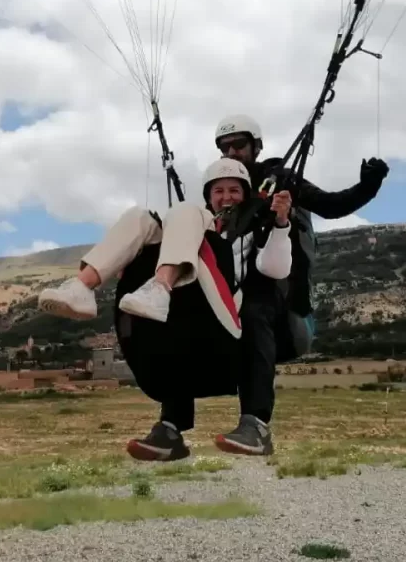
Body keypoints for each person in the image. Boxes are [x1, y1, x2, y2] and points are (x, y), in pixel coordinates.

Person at [38, 158, 294, 462]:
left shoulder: (256, 226)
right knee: (140, 218)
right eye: (219, 191)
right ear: (210, 196)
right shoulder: (198, 223)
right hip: (192, 300)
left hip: (226, 306)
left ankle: (161, 286)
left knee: (184, 212)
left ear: (246, 194)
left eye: (234, 191)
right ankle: (82, 287)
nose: (226, 197)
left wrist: (280, 225)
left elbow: (276, 269)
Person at [211, 114, 390, 456]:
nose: (231, 152)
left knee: (255, 299)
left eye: (239, 145)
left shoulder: (279, 178)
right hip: (231, 307)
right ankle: (170, 426)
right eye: (224, 147)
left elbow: (331, 205)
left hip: (283, 308)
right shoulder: (221, 193)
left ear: (256, 147)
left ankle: (256, 426)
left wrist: (368, 186)